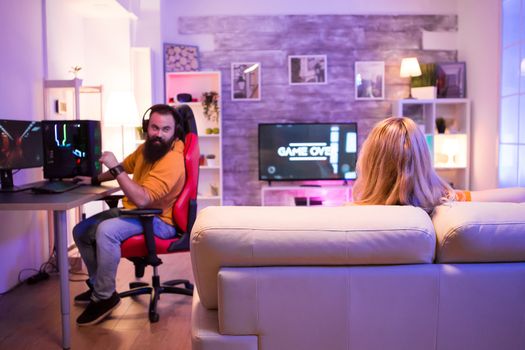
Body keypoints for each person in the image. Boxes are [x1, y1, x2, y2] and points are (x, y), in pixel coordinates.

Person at [72, 104, 186, 326]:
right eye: (154, 128)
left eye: (165, 129)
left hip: (159, 219)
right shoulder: (148, 148)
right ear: (147, 127)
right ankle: (99, 286)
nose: (158, 134)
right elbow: (126, 166)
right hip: (138, 212)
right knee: (82, 231)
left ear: (174, 132)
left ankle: (104, 298)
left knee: (106, 231)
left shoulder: (172, 160)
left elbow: (143, 198)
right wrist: (94, 180)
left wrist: (116, 168)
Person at [352, 116, 525, 213]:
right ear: (423, 159)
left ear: (370, 161)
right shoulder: (446, 198)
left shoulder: (353, 213)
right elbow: (520, 194)